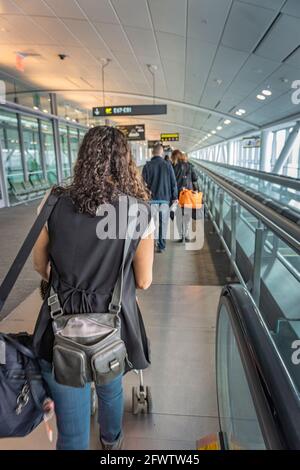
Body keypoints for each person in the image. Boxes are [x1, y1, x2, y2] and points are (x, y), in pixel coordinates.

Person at [33, 126, 154, 450]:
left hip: (60, 324)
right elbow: (143, 280)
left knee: (71, 434)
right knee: (110, 385)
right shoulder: (139, 211)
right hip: (112, 323)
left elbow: (39, 265)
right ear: (124, 161)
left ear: (83, 158)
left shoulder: (54, 201)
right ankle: (110, 441)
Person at [142, 142, 177, 253]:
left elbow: (142, 185)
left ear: (152, 152)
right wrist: (174, 197)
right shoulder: (168, 165)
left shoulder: (147, 166)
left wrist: (143, 198)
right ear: (162, 153)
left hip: (151, 200)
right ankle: (161, 246)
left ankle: (151, 244)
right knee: (163, 224)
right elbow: (173, 183)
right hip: (164, 200)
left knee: (150, 224)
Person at [173, 152, 199, 242]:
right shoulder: (190, 166)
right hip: (188, 194)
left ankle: (181, 235)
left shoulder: (175, 167)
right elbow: (195, 178)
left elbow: (173, 180)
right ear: (186, 158)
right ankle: (186, 234)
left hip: (178, 194)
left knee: (179, 215)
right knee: (187, 215)